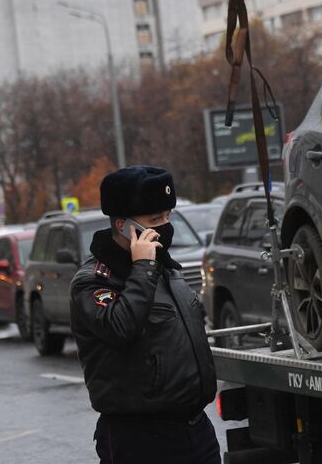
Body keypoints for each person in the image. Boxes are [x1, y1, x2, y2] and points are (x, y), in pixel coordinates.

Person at [70, 165, 219, 464]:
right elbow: (121, 327)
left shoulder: (164, 270)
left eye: (167, 216)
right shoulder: (94, 281)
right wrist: (143, 268)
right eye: (154, 220)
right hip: (139, 437)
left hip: (195, 429)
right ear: (124, 225)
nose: (164, 226)